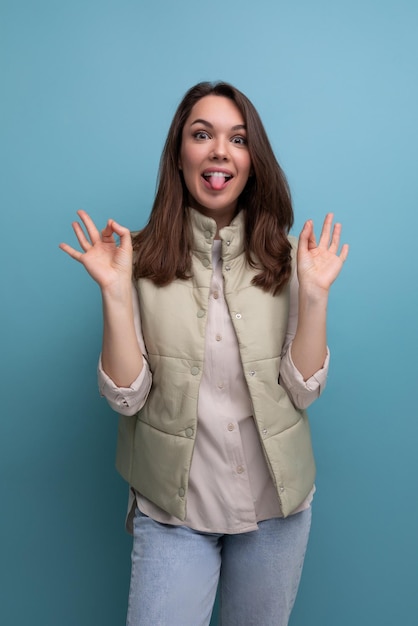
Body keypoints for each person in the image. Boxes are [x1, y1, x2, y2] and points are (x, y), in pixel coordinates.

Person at [60, 81, 348, 626]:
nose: (220, 150)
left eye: (238, 139)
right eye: (202, 134)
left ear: (253, 160)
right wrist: (115, 293)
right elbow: (126, 399)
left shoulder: (292, 259)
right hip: (173, 509)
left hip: (274, 508)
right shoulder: (135, 259)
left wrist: (313, 297)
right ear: (179, 155)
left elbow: (305, 389)